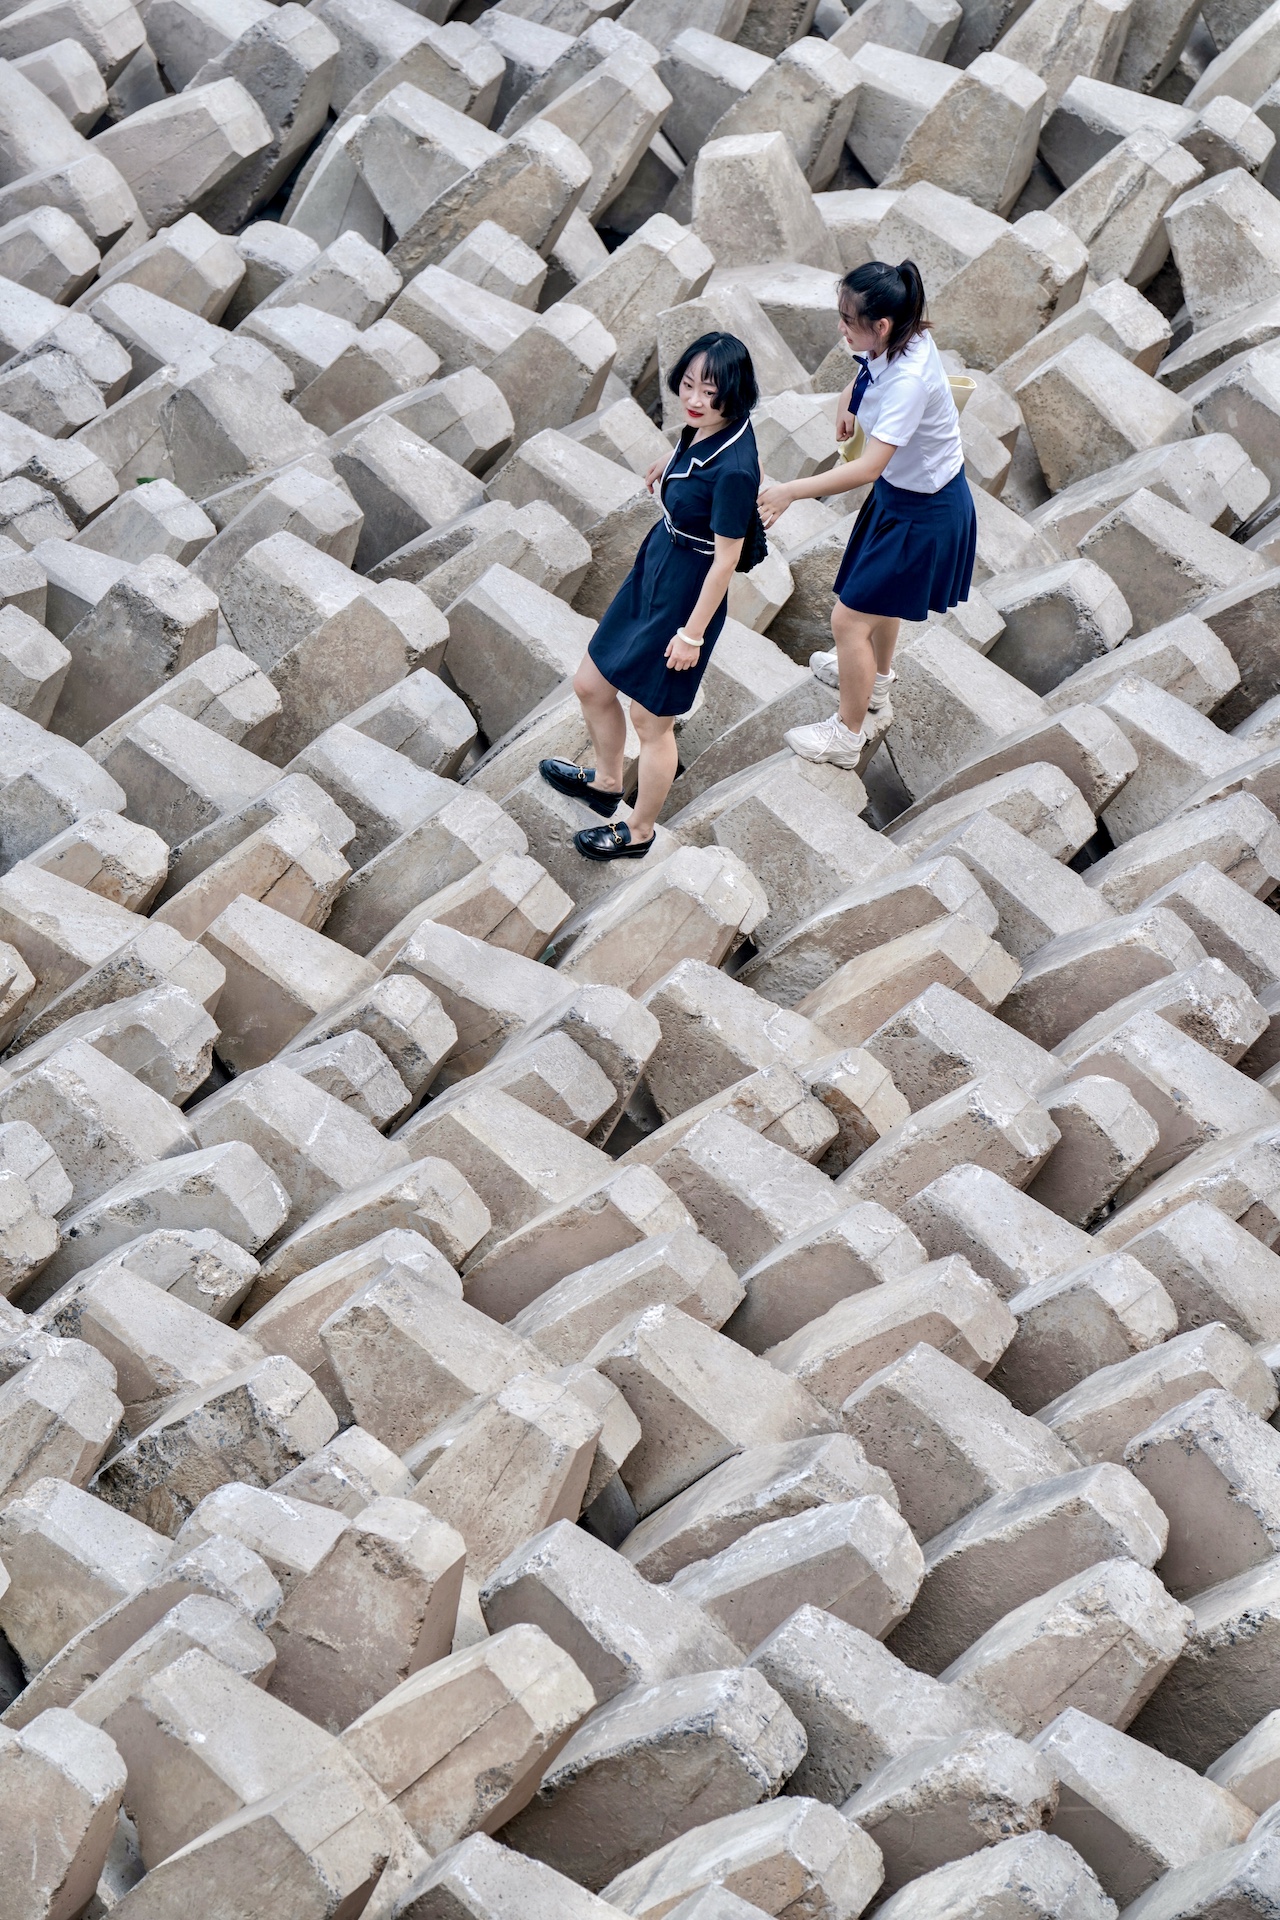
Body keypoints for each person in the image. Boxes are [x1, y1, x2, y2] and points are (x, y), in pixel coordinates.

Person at [538, 331, 761, 861]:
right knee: (592, 683)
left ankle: (638, 832)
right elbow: (693, 437)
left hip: (690, 588)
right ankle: (607, 781)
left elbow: (727, 559)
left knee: (651, 719)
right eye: (687, 384)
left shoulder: (735, 470)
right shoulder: (705, 428)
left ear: (735, 393)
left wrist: (692, 635)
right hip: (658, 563)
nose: (694, 400)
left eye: (709, 392)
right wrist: (671, 460)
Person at [757, 258, 976, 769]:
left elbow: (868, 468)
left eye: (847, 319)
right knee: (884, 601)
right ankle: (875, 681)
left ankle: (846, 735)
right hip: (908, 500)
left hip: (924, 513)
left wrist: (790, 491)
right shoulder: (904, 335)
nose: (840, 327)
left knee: (849, 619)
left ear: (880, 325)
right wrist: (848, 400)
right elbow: (867, 373)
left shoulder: (908, 383)